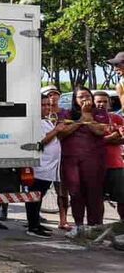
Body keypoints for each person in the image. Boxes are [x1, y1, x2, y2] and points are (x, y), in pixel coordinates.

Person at [60, 86, 112, 237]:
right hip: (72, 160)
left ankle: (95, 226)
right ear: (75, 100)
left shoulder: (100, 113)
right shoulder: (67, 113)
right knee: (76, 193)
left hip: (94, 160)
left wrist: (87, 116)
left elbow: (100, 131)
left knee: (94, 193)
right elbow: (62, 133)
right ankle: (79, 226)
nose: (85, 99)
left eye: (87, 96)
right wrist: (82, 119)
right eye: (81, 97)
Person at [26, 92, 67, 238]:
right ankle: (32, 226)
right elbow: (40, 142)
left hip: (50, 167)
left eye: (48, 105)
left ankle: (36, 223)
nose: (46, 108)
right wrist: (56, 130)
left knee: (40, 197)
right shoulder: (34, 122)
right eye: (42, 105)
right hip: (40, 167)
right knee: (35, 197)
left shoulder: (46, 120)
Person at [42, 86, 71, 229]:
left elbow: (70, 130)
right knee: (40, 189)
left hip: (63, 155)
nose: (53, 98)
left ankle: (63, 219)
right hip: (46, 159)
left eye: (55, 95)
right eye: (49, 95)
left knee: (62, 190)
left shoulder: (65, 113)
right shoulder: (41, 115)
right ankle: (35, 217)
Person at [94, 90, 124, 203]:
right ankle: (98, 221)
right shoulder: (89, 120)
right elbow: (91, 143)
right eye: (98, 101)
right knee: (97, 199)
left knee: (121, 198)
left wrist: (103, 140)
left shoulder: (117, 118)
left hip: (115, 164)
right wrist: (114, 136)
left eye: (105, 101)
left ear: (109, 103)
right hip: (95, 165)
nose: (101, 104)